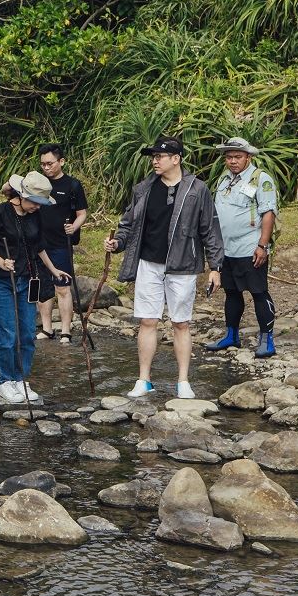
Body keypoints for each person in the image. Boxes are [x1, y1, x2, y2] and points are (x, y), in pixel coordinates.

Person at [104, 136, 224, 399]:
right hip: (148, 263)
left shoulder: (197, 189)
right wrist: (117, 242)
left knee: (181, 323)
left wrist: (215, 266)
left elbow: (210, 229)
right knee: (148, 320)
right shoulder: (144, 188)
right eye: (153, 156)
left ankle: (183, 382)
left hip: (183, 265)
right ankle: (144, 380)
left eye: (160, 156)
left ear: (176, 159)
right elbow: (128, 223)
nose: (154, 160)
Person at [0, 172, 65, 406]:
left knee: (26, 334)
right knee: (7, 335)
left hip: (26, 279)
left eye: (40, 203)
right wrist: (0, 261)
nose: (36, 207)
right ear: (21, 196)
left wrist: (53, 270)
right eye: (34, 201)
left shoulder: (35, 216)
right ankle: (5, 381)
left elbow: (39, 245)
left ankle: (21, 379)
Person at [204, 137, 279, 357]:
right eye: (229, 157)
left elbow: (268, 213)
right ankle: (231, 335)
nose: (233, 161)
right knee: (232, 292)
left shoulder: (261, 179)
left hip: (250, 247)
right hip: (227, 248)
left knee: (258, 292)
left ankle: (267, 339)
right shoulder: (224, 179)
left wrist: (262, 245)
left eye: (237, 157)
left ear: (249, 157)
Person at [36, 144, 89, 343]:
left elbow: (82, 214)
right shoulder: (38, 183)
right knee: (42, 286)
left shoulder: (72, 185)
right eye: (42, 164)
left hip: (61, 243)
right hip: (39, 242)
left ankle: (66, 331)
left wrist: (73, 228)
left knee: (62, 286)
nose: (46, 168)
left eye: (49, 163)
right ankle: (47, 328)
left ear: (61, 162)